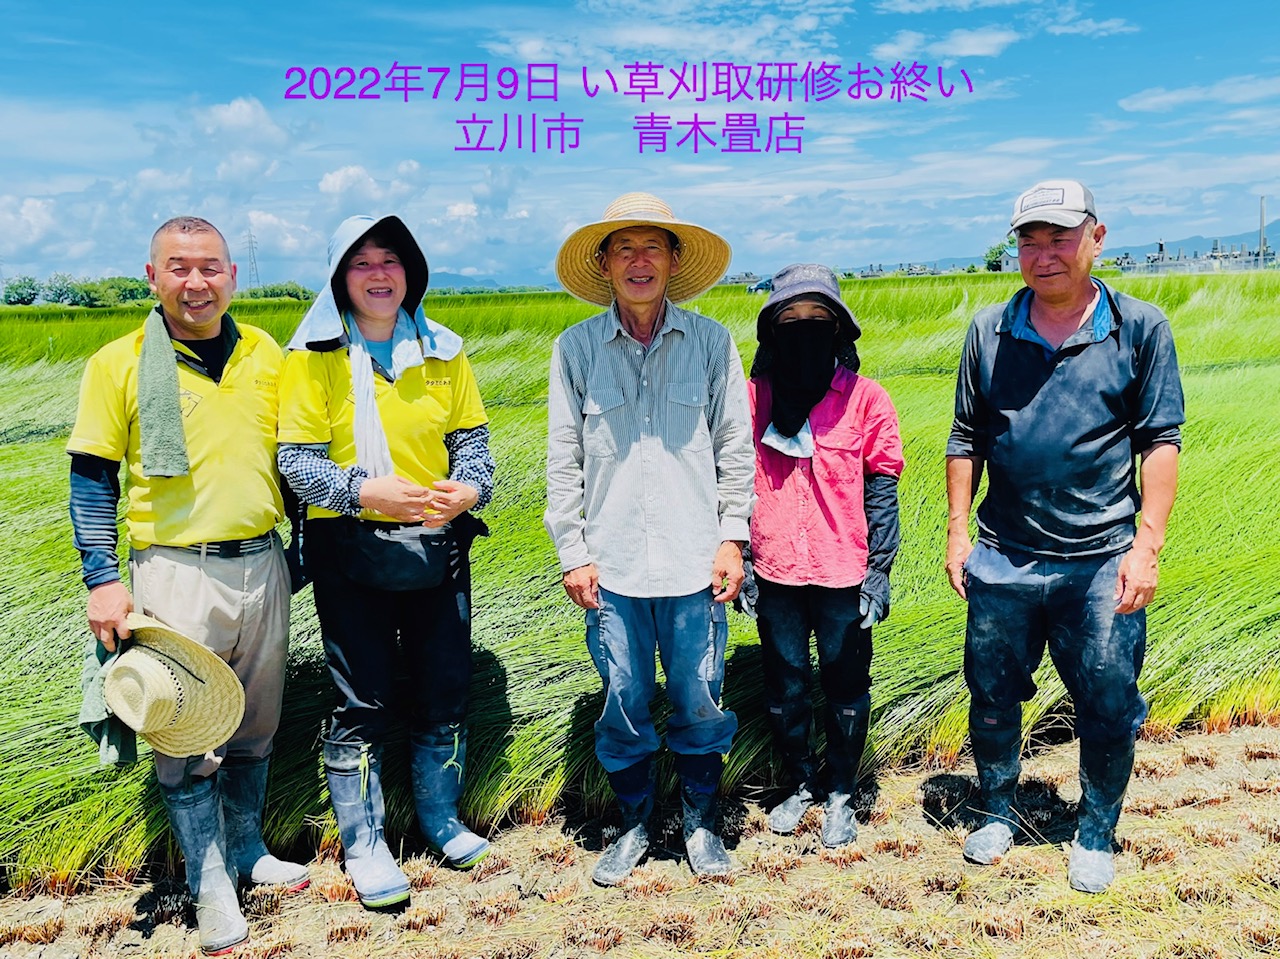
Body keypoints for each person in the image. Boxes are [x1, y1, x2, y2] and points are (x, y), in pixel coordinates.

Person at [67, 216, 307, 956]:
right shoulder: (119, 362)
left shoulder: (266, 353)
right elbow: (92, 478)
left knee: (255, 723)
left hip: (262, 563)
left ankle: (247, 849)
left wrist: (300, 553)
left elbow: (293, 459)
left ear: (232, 275)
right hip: (173, 570)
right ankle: (210, 886)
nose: (196, 282)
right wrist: (103, 580)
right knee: (185, 732)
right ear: (152, 275)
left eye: (210, 267)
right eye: (178, 267)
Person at [945, 180, 1184, 893]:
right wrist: (958, 532)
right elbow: (965, 437)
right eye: (1029, 240)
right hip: (1004, 554)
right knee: (991, 693)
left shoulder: (1139, 328)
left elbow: (1160, 441)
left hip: (1102, 558)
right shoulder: (989, 331)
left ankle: (1096, 830)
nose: (1043, 254)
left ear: (1096, 238)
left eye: (1060, 238)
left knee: (1108, 699)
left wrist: (1147, 546)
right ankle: (997, 810)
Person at [276, 214, 496, 908]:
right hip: (350, 548)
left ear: (412, 272)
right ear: (339, 277)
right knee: (363, 696)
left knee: (443, 684)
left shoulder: (443, 351)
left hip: (437, 544)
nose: (379, 274)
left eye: (391, 259)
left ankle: (440, 819)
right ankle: (365, 844)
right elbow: (296, 462)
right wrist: (364, 491)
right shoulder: (313, 355)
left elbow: (473, 446)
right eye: (361, 261)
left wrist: (469, 490)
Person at [545, 192, 754, 885]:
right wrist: (573, 552)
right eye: (625, 249)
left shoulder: (712, 343)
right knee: (623, 701)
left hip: (696, 563)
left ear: (673, 259)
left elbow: (734, 447)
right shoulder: (575, 348)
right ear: (605, 263)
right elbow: (564, 457)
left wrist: (732, 538)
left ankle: (700, 824)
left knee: (700, 699)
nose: (639, 261)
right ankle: (634, 823)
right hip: (613, 568)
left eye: (653, 247)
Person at [747, 263, 904, 848]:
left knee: (846, 684)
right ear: (772, 331)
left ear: (838, 328)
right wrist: (741, 562)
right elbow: (729, 482)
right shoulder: (751, 400)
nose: (805, 327)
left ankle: (840, 789)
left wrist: (879, 572)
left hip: (844, 573)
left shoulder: (866, 401)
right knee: (786, 685)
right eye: (791, 318)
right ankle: (801, 781)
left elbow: (882, 492)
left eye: (818, 317)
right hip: (774, 571)